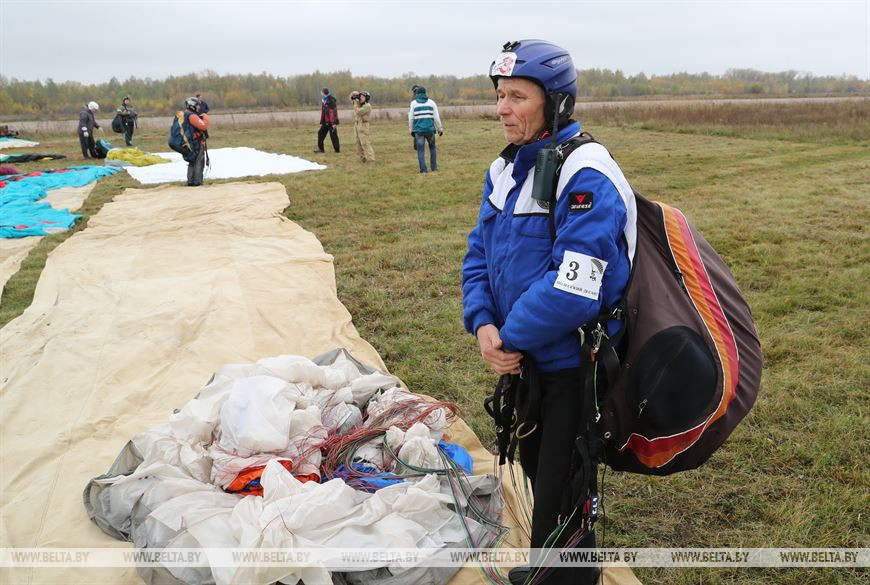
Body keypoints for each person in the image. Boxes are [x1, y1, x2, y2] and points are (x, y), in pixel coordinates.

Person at [461, 40, 636, 585]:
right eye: (499, 95)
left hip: (571, 366)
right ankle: (546, 573)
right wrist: (483, 324)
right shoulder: (506, 170)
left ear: (554, 102)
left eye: (517, 96)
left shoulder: (586, 172)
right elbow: (479, 254)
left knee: (565, 487)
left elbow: (576, 285)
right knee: (540, 471)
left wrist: (509, 336)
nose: (502, 108)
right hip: (528, 361)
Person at [408, 85, 443, 173]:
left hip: (418, 131)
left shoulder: (413, 103)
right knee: (432, 148)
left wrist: (411, 130)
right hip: (430, 130)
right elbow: (436, 118)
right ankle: (434, 168)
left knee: (420, 150)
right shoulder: (432, 103)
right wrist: (440, 129)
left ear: (417, 94)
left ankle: (423, 170)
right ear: (425, 93)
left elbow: (411, 118)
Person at [178, 96, 211, 186]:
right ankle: (197, 182)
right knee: (198, 161)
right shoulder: (192, 116)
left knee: (192, 162)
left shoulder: (184, 115)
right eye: (197, 105)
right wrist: (205, 117)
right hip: (195, 143)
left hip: (188, 143)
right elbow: (204, 126)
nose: (199, 107)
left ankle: (191, 181)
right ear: (192, 105)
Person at [350, 90, 375, 163]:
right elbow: (351, 99)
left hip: (363, 125)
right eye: (360, 96)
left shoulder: (367, 106)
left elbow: (358, 111)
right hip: (357, 125)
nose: (361, 98)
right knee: (358, 143)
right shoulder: (360, 104)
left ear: (366, 98)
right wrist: (354, 96)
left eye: (363, 97)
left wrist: (355, 103)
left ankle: (371, 159)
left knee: (365, 143)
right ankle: (363, 158)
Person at [315, 88, 340, 153]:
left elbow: (334, 112)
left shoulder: (331, 100)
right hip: (325, 122)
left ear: (323, 93)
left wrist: (334, 123)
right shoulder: (324, 100)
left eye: (321, 93)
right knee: (320, 133)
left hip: (331, 122)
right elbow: (323, 112)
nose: (321, 94)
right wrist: (322, 122)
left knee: (333, 136)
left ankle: (337, 150)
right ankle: (321, 149)